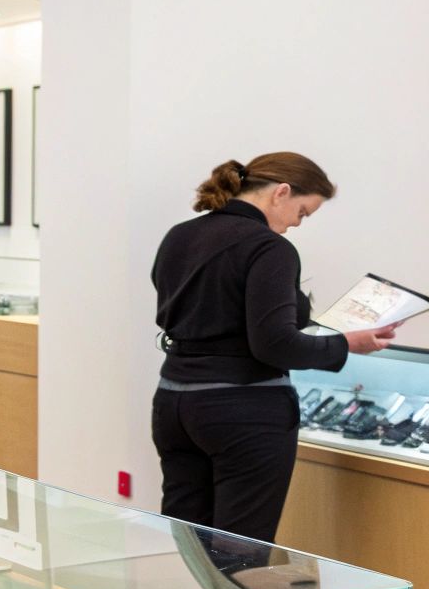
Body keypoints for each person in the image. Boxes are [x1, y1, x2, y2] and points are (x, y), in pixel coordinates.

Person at [150, 152, 395, 541]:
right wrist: (347, 343)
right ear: (281, 192)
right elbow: (275, 345)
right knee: (241, 549)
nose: (295, 225)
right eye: (302, 212)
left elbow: (209, 313)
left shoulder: (180, 235)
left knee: (187, 537)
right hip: (242, 410)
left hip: (174, 404)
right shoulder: (269, 248)